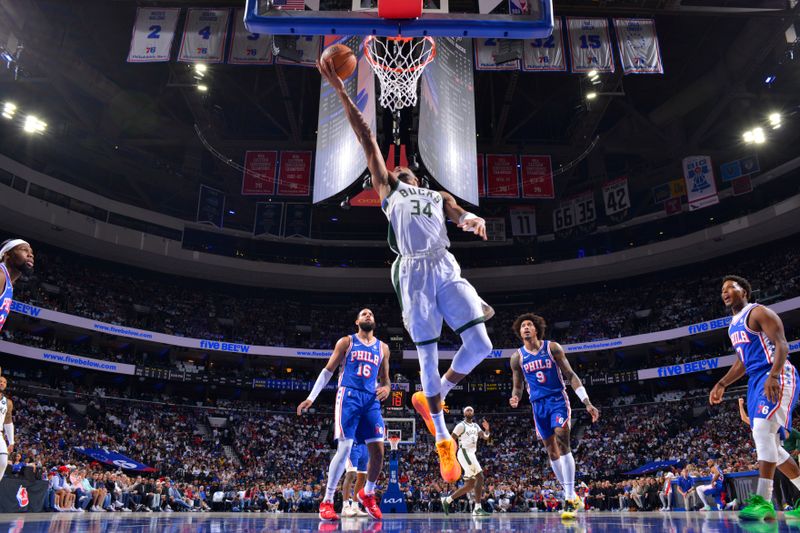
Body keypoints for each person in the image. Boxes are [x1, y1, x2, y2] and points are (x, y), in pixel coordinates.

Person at [317, 57, 495, 484]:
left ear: (416, 174)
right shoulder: (388, 190)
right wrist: (341, 90)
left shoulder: (436, 194)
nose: (399, 172)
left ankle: (434, 398)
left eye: (404, 170)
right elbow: (366, 138)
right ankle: (441, 438)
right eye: (395, 172)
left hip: (445, 263)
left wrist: (471, 221)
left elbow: (458, 214)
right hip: (412, 272)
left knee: (482, 344)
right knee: (428, 355)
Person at [710, 275, 800, 521]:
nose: (725, 292)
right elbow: (742, 360)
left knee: (761, 431)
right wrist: (722, 383)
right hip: (755, 379)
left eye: (731, 287)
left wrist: (773, 375)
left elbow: (782, 344)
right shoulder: (732, 326)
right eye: (722, 290)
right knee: (775, 449)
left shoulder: (758, 312)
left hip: (776, 372)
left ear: (745, 291)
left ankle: (763, 501)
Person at [297, 309, 390, 521]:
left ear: (374, 321)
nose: (368, 315)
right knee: (345, 447)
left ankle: (367, 493)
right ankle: (327, 501)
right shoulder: (347, 342)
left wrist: (387, 388)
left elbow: (386, 380)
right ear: (357, 321)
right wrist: (311, 397)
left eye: (371, 314)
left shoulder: (383, 347)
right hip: (348, 396)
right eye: (364, 314)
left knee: (379, 451)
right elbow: (328, 370)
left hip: (371, 399)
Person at [508, 313, 600, 520]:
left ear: (536, 329)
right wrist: (515, 398)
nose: (526, 328)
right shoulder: (517, 357)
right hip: (537, 405)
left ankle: (569, 497)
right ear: (519, 332)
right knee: (551, 450)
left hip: (557, 400)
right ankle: (571, 493)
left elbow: (571, 375)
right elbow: (518, 386)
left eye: (530, 324)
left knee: (562, 438)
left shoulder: (552, 348)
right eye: (523, 326)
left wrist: (586, 402)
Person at [441, 406, 491, 516]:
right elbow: (451, 439)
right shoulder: (460, 425)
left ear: (473, 413)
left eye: (471, 410)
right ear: (464, 413)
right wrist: (445, 452)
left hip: (471, 454)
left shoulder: (476, 426)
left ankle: (447, 500)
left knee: (469, 485)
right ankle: (477, 508)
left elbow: (485, 437)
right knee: (480, 476)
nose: (469, 411)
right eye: (467, 410)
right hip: (464, 452)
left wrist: (487, 429)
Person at [0, 239, 34, 335]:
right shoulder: (1, 275)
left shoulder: (8, 282)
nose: (31, 255)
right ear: (7, 255)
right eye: (24, 250)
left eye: (31, 252)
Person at [341, 443, 369, 517]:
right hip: (353, 445)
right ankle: (345, 506)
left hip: (365, 446)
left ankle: (355, 506)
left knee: (363, 476)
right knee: (351, 474)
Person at [0, 376, 14, 484]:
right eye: (0, 381)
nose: (2, 383)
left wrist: (11, 441)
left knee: (3, 461)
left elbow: (8, 422)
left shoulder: (8, 402)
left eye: (4, 382)